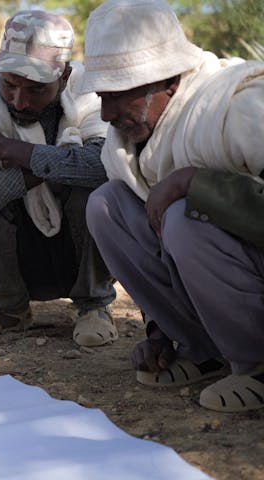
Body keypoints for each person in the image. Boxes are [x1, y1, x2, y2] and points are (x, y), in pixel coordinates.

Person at [82, 0, 264, 412]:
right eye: (101, 96)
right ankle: (198, 348)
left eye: (119, 95)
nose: (106, 114)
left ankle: (257, 364)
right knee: (105, 204)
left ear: (167, 81)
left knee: (185, 216)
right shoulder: (126, 143)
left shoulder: (240, 108)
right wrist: (159, 331)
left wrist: (195, 182)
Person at [0, 10, 117, 346]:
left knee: (99, 194)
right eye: (9, 85)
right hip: (21, 247)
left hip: (76, 246)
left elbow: (104, 167)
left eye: (36, 90)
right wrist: (52, 168)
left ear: (63, 79)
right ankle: (8, 309)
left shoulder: (89, 91)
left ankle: (94, 304)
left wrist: (7, 149)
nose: (20, 101)